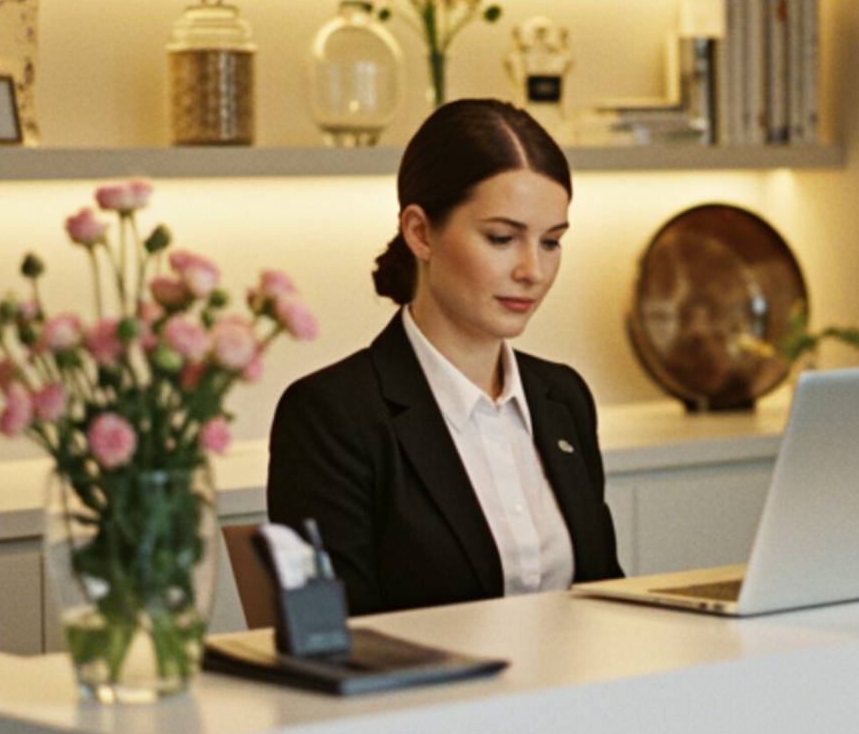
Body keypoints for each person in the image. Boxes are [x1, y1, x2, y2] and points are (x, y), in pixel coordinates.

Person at [264, 98, 621, 614]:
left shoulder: (563, 397)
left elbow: (604, 599)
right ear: (420, 232)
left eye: (551, 242)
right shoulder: (332, 415)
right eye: (502, 238)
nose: (533, 270)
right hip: (424, 698)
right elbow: (331, 636)